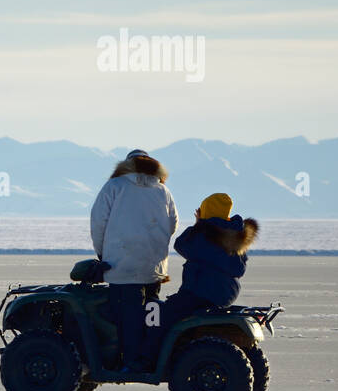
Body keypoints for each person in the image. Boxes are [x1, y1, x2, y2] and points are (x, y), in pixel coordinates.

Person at [140, 193, 259, 365]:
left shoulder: (207, 232)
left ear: (207, 211)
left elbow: (181, 245)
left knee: (160, 315)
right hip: (224, 294)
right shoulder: (235, 234)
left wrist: (199, 224)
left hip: (199, 292)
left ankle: (147, 359)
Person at [89, 148, 178, 372]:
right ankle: (150, 360)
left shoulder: (115, 186)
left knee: (127, 317)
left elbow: (98, 222)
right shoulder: (163, 190)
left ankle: (128, 362)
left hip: (121, 266)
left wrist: (103, 254)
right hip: (153, 267)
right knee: (151, 315)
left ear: (127, 164)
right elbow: (172, 223)